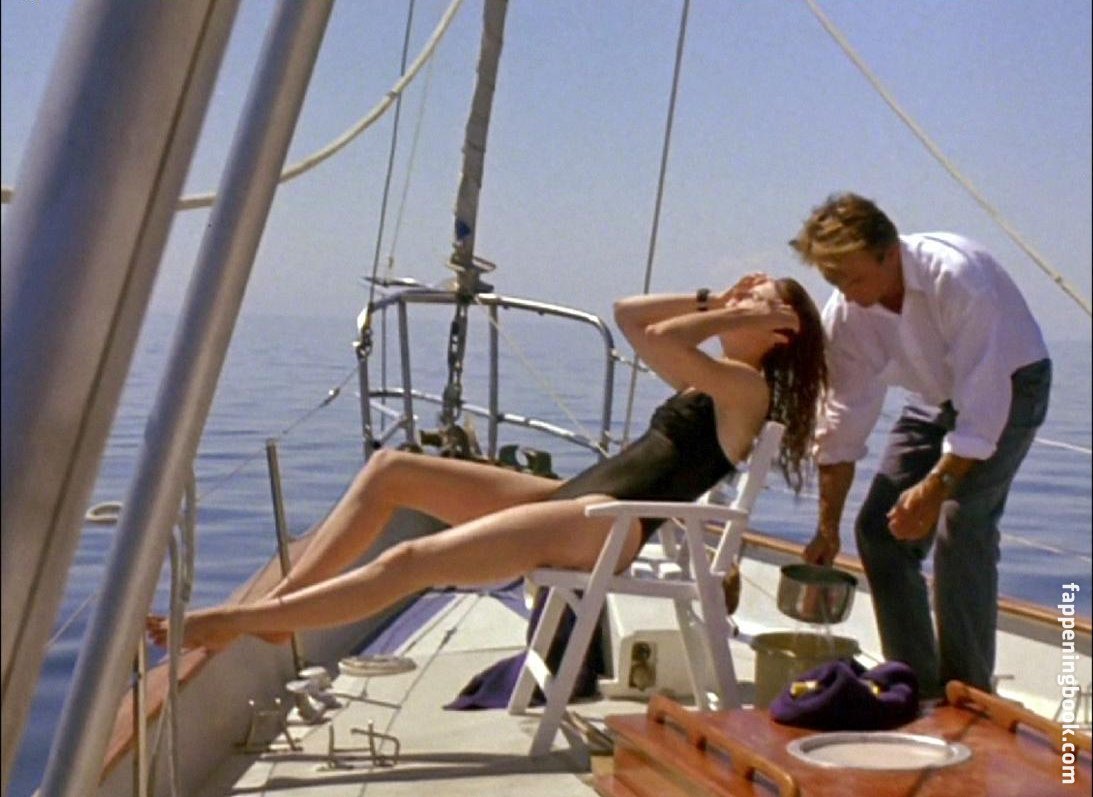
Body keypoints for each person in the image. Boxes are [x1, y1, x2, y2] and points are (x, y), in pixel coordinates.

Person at [149, 274, 827, 654]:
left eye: (760, 295)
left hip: (609, 524)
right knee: (391, 470)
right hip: (583, 498)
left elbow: (665, 338)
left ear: (781, 332)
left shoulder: (746, 389)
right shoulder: (711, 380)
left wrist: (728, 313)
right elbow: (627, 315)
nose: (743, 292)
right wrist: (719, 302)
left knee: (411, 559)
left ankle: (238, 621)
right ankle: (278, 607)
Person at [791, 191, 1051, 698]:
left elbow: (982, 408)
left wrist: (934, 488)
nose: (846, 294)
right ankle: (914, 682)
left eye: (853, 278)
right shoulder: (846, 314)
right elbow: (843, 420)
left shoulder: (957, 278)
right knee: (877, 531)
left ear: (890, 252)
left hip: (1011, 381)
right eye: (834, 281)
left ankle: (966, 690)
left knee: (960, 522)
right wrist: (827, 528)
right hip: (933, 395)